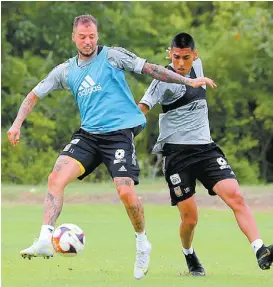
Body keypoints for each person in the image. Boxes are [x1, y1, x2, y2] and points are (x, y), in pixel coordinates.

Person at [7, 16, 216, 279]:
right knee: (55, 177)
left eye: (92, 36)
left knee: (126, 194)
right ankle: (45, 240)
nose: (88, 41)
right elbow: (35, 94)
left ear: (97, 35)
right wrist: (16, 124)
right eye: (82, 37)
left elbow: (151, 69)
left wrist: (187, 81)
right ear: (74, 37)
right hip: (89, 135)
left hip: (119, 134)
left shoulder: (113, 56)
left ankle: (142, 242)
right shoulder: (66, 70)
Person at [138, 32, 273, 276]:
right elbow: (143, 108)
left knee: (235, 196)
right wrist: (126, 130)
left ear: (195, 56)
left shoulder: (197, 67)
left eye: (186, 58)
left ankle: (260, 250)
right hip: (177, 155)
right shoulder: (162, 80)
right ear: (170, 53)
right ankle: (189, 255)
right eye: (176, 57)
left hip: (205, 149)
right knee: (190, 219)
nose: (180, 63)